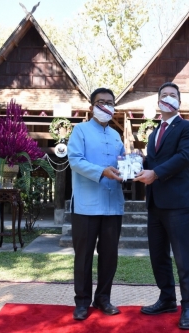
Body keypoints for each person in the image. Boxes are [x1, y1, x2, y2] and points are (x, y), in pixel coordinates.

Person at [134, 82, 189, 330]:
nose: (169, 98)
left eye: (173, 95)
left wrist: (156, 174)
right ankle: (166, 299)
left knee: (183, 257)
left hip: (179, 202)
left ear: (179, 102)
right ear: (159, 102)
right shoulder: (153, 133)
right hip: (155, 202)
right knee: (158, 255)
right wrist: (135, 165)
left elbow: (184, 157)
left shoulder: (188, 127)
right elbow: (152, 160)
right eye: (164, 95)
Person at [67, 87, 125, 321]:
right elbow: (75, 161)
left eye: (110, 103)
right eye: (100, 102)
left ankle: (103, 299)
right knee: (83, 256)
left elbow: (121, 165)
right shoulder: (80, 131)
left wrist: (132, 165)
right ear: (91, 107)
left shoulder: (116, 135)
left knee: (109, 255)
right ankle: (82, 302)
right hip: (86, 205)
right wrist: (102, 171)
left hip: (113, 205)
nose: (105, 106)